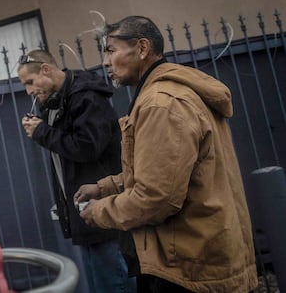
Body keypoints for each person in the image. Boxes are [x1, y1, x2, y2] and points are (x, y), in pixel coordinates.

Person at [74, 16, 258, 292]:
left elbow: (155, 198)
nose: (104, 62)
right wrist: (104, 187)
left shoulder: (161, 104)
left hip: (190, 268)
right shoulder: (165, 95)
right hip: (195, 256)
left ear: (142, 48)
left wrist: (99, 212)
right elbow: (164, 171)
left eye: (111, 50)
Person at [19, 49, 136, 292]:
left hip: (106, 213)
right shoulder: (57, 101)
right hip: (87, 213)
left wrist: (42, 132)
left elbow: (87, 147)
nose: (28, 91)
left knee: (115, 284)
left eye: (29, 83)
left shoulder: (86, 98)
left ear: (46, 70)